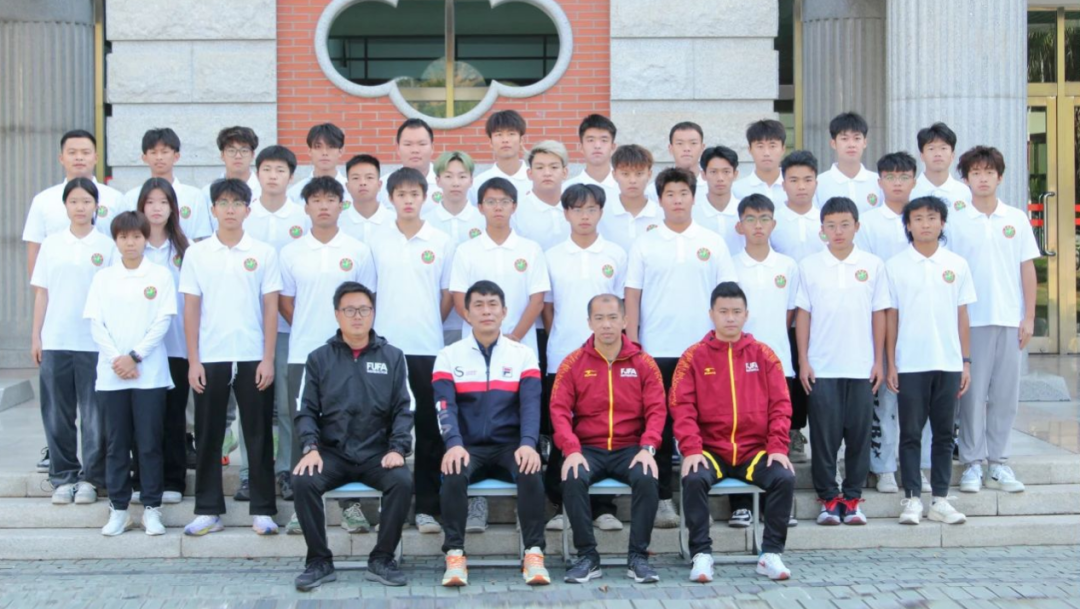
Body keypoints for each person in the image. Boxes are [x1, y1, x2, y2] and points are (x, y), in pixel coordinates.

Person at [625, 167, 737, 529]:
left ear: (693, 197)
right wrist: (634, 343)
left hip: (704, 351)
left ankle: (702, 497)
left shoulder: (712, 242)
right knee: (659, 427)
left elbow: (727, 298)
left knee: (706, 424)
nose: (677, 200)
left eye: (683, 193)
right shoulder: (645, 243)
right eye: (670, 194)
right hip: (655, 350)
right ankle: (662, 500)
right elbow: (632, 296)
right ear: (659, 200)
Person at [291, 282, 413, 591]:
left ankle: (382, 558)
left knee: (401, 481)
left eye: (364, 309)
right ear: (337, 314)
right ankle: (318, 561)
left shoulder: (393, 357)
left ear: (373, 313)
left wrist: (398, 448)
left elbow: (404, 408)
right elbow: (305, 410)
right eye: (349, 310)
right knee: (303, 480)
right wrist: (310, 447)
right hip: (332, 453)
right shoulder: (319, 358)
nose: (357, 316)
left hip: (377, 454)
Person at [671, 282, 796, 583]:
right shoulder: (693, 356)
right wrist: (692, 449)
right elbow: (681, 406)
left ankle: (770, 554)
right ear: (711, 314)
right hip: (711, 451)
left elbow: (781, 404)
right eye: (723, 311)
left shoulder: (764, 355)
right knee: (694, 476)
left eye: (736, 312)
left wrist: (777, 446)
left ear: (746, 314)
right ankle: (701, 555)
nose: (730, 318)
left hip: (754, 452)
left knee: (784, 476)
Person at [179, 178, 281, 536]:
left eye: (237, 203)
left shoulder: (263, 253)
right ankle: (208, 510)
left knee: (258, 434)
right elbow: (191, 309)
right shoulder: (197, 254)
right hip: (211, 356)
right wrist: (193, 360)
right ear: (213, 209)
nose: (230, 210)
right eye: (223, 203)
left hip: (253, 355)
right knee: (208, 434)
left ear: (248, 210)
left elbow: (271, 309)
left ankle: (263, 510)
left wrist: (268, 358)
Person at [434, 280, 550, 587]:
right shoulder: (448, 355)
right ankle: (455, 554)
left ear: (504, 312)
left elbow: (531, 405)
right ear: (466, 313)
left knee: (530, 468)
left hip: (509, 445)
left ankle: (534, 552)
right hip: (467, 446)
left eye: (492, 305)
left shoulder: (523, 354)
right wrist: (453, 443)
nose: (486, 311)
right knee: (453, 469)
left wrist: (528, 443)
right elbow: (444, 406)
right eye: (478, 305)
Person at [279, 176, 376, 535]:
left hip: (349, 351)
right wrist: (312, 332)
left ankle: (352, 507)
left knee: (350, 425)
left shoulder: (357, 250)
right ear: (305, 207)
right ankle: (301, 506)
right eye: (316, 200)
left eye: (330, 199)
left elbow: (367, 301)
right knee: (300, 423)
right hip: (303, 351)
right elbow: (287, 303)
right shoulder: (291, 252)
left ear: (341, 205)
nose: (323, 206)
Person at [551, 294, 665, 584]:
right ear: (589, 322)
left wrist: (648, 447)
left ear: (625, 320)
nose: (606, 325)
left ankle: (638, 557)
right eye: (599, 318)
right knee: (572, 476)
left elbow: (657, 409)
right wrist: (571, 449)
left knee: (647, 477)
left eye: (613, 318)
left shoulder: (644, 362)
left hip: (630, 448)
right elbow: (559, 410)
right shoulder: (573, 363)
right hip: (588, 448)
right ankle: (587, 557)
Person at [367, 167, 455, 535]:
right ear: (390, 198)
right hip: (385, 348)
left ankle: (428, 507)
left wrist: (429, 322)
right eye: (401, 194)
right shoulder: (376, 240)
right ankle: (391, 503)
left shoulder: (441, 241)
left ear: (425, 197)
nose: (407, 200)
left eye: (414, 194)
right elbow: (369, 295)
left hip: (428, 346)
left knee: (429, 429)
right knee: (382, 426)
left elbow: (448, 295)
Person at [948, 146, 1038, 494]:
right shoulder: (955, 220)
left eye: (989, 172)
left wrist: (1029, 317)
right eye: (976, 173)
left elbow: (1027, 268)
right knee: (971, 396)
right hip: (972, 320)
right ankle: (972, 462)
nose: (983, 178)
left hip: (1009, 319)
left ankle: (998, 462)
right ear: (966, 178)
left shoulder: (1015, 218)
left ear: (1000, 177)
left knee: (1005, 394)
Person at [795, 197, 889, 526]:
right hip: (822, 366)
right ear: (822, 229)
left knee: (859, 435)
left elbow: (879, 314)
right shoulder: (809, 266)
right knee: (824, 436)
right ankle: (828, 499)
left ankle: (852, 498)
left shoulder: (873, 265)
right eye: (831, 226)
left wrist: (879, 361)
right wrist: (803, 360)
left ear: (857, 227)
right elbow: (803, 315)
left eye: (845, 225)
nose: (838, 232)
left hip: (861, 366)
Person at [541, 184, 627, 532]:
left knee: (602, 428)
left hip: (607, 358)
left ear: (601, 212)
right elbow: (548, 308)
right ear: (566, 214)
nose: (584, 216)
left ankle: (603, 507)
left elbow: (621, 308)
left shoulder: (616, 254)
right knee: (562, 430)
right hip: (562, 355)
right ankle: (561, 504)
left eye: (591, 209)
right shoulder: (552, 256)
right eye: (577, 209)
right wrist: (563, 341)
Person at [85, 211, 176, 536]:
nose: (130, 243)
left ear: (145, 238)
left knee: (149, 443)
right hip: (112, 377)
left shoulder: (160, 275)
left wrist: (135, 356)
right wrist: (118, 360)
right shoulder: (103, 278)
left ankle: (152, 508)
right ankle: (119, 509)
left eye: (136, 236)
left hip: (149, 374)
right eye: (123, 237)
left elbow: (163, 321)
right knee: (116, 444)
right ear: (116, 240)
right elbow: (96, 323)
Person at [886, 196, 975, 526]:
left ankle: (940, 499)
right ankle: (911, 499)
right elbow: (891, 318)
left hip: (948, 363)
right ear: (908, 225)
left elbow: (962, 316)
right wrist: (891, 363)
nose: (926, 224)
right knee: (910, 433)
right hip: (910, 363)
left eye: (932, 217)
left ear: (942, 223)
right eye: (918, 218)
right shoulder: (895, 266)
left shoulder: (957, 264)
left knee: (944, 434)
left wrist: (966, 362)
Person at [31, 178, 116, 504]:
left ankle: (92, 479)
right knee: (57, 413)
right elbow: (42, 293)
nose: (80, 207)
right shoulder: (51, 244)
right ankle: (63, 477)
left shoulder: (107, 246)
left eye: (86, 201)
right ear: (65, 206)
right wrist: (36, 336)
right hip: (55, 340)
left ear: (96, 206)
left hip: (94, 343)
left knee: (95, 416)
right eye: (74, 202)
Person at [235, 144, 310, 503]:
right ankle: (250, 472)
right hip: (249, 324)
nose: (273, 176)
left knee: (288, 404)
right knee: (251, 406)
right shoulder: (245, 214)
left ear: (291, 177)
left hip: (290, 328)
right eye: (267, 169)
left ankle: (286, 470)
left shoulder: (302, 216)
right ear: (257, 173)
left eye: (281, 170)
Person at [856, 152, 933, 495]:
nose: (897, 183)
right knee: (886, 396)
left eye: (904, 177)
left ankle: (919, 466)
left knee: (919, 401)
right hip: (882, 315)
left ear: (914, 181)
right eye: (890, 177)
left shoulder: (924, 217)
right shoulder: (870, 223)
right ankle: (884, 466)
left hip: (920, 319)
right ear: (880, 182)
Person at [726, 193, 801, 528]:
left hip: (778, 361)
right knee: (740, 433)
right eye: (751, 219)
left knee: (776, 430)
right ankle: (741, 504)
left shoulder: (787, 266)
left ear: (774, 223)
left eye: (764, 218)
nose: (758, 225)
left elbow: (790, 314)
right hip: (737, 364)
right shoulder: (729, 265)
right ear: (739, 225)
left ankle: (776, 504)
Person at [136, 179, 194, 504]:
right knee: (143, 417)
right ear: (141, 207)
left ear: (173, 208)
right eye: (150, 202)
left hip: (176, 345)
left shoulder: (186, 250)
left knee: (174, 415)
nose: (156, 208)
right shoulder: (133, 246)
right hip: (141, 348)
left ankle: (173, 479)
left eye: (163, 202)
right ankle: (142, 478)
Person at [450, 177, 550, 357]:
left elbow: (537, 302)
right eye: (491, 202)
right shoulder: (465, 251)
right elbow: (460, 301)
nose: (498, 207)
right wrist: (488, 336)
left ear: (514, 206)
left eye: (505, 201)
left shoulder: (531, 250)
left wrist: (514, 338)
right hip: (476, 347)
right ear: (480, 207)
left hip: (521, 346)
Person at [24, 130, 126, 278]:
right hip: (59, 285)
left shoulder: (115, 198)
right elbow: (35, 249)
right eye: (72, 153)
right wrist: (40, 289)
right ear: (61, 158)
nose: (79, 157)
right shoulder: (43, 200)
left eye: (85, 152)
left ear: (96, 158)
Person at [425, 151, 485, 346]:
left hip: (477, 320)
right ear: (438, 180)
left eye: (462, 176)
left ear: (471, 180)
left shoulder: (484, 220)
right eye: (448, 176)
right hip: (437, 320)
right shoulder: (426, 222)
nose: (455, 183)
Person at [123, 128, 211, 241]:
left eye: (164, 152)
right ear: (144, 158)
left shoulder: (194, 196)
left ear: (176, 156)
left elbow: (200, 238)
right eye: (153, 152)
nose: (159, 157)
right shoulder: (131, 197)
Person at [814, 112, 884, 213]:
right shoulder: (819, 183)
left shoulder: (879, 182)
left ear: (865, 142)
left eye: (857, 138)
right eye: (844, 139)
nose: (851, 145)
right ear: (833, 143)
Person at [600, 144, 662, 253]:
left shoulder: (663, 215)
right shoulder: (602, 215)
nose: (632, 180)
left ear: (649, 174)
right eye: (625, 174)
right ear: (614, 175)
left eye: (639, 174)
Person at [512, 141, 572, 251]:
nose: (547, 173)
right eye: (540, 168)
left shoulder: (578, 207)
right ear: (529, 174)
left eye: (554, 167)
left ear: (565, 173)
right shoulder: (515, 210)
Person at [200, 126, 262, 230]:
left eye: (244, 150)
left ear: (252, 155)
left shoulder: (264, 191)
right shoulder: (206, 193)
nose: (238, 156)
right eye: (231, 150)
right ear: (222, 155)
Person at [770, 150, 824, 263]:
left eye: (808, 180)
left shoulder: (826, 221)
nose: (801, 187)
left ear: (816, 184)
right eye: (794, 180)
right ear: (784, 185)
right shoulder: (772, 222)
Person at [469, 110, 531, 204]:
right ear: (490, 142)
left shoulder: (536, 180)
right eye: (499, 135)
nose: (505, 140)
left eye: (511, 134)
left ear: (521, 140)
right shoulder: (479, 183)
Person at [377, 118, 442, 209]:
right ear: (398, 149)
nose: (415, 150)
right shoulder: (383, 186)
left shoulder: (447, 184)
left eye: (422, 144)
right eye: (408, 144)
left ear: (432, 148)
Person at [693, 145, 744, 256]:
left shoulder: (747, 212)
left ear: (735, 174)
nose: (720, 178)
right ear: (703, 175)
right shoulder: (692, 214)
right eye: (713, 172)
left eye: (726, 172)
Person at [287, 123, 350, 204]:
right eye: (318, 147)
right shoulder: (295, 194)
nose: (324, 153)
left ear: (340, 151)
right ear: (309, 151)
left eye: (331, 147)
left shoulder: (352, 191)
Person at [911, 122, 971, 207]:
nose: (938, 154)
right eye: (931, 149)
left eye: (943, 148)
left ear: (952, 155)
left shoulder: (963, 192)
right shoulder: (910, 191)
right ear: (922, 156)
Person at [339, 154, 396, 244]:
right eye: (356, 178)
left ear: (379, 185)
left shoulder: (396, 222)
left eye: (369, 177)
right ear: (347, 186)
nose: (363, 183)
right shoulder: (338, 223)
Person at [563, 114, 619, 204]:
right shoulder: (566, 190)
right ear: (581, 147)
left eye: (604, 140)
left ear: (613, 147)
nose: (597, 146)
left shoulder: (627, 189)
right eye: (590, 140)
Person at [732, 119, 787, 205]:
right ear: (750, 149)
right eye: (760, 146)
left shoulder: (795, 188)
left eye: (772, 146)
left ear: (783, 149)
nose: (766, 153)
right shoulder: (736, 190)